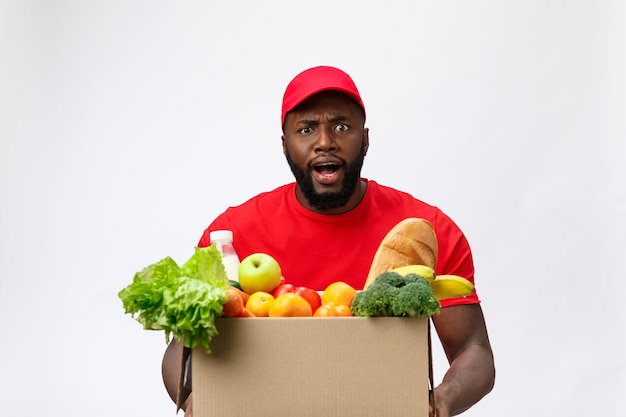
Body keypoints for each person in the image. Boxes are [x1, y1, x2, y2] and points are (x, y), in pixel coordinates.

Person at [162, 66, 495, 417]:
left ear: (365, 139)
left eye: (341, 126)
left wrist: (440, 402)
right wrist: (193, 401)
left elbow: (473, 350)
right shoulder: (230, 237)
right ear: (285, 144)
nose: (325, 141)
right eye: (307, 129)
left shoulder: (424, 232)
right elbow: (181, 349)